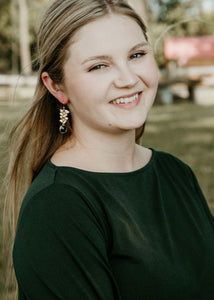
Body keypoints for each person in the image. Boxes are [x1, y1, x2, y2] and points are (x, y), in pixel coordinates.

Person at [4, 0, 214, 299]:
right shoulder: (58, 207)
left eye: (137, 55)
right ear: (56, 87)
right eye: (98, 66)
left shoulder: (176, 173)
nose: (128, 79)